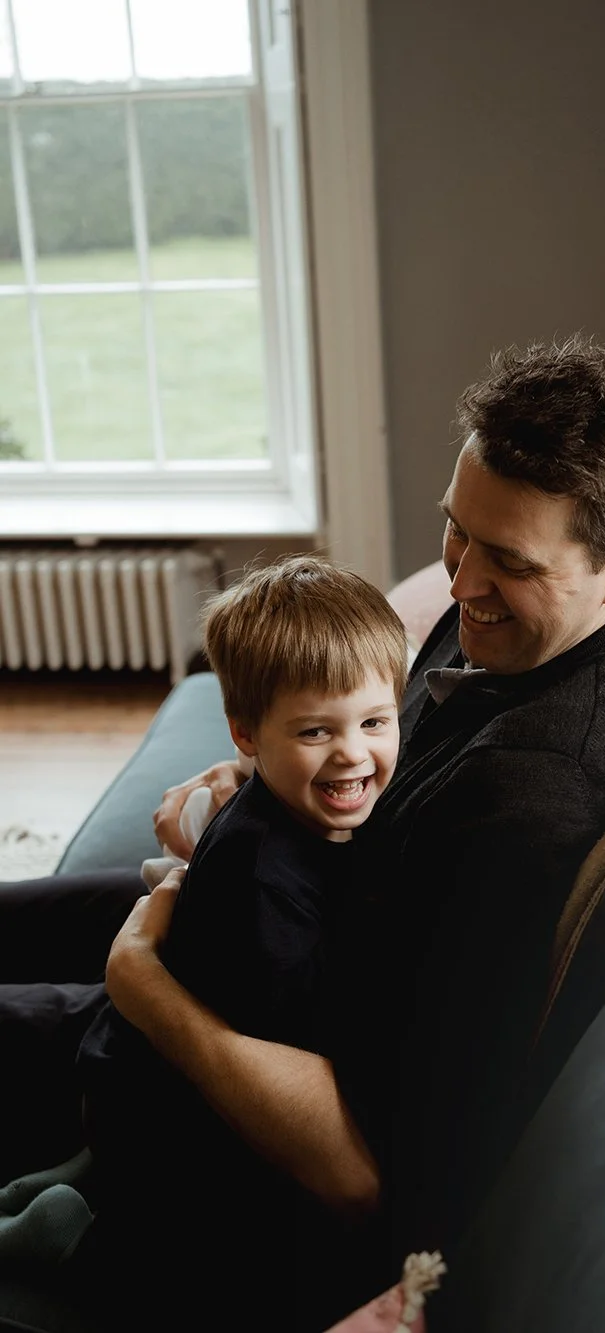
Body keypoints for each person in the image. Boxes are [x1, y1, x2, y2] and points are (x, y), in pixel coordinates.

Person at [0, 335, 605, 1311]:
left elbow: (366, 1177)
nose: (460, 583)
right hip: (281, 899)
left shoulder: (527, 810)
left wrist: (143, 988)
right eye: (456, 532)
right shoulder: (529, 628)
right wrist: (269, 772)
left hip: (237, 1053)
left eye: (507, 560)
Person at [74, 555, 407, 1329]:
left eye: (374, 722)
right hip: (154, 1113)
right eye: (315, 730)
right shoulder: (261, 879)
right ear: (246, 733)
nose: (352, 752)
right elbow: (282, 1069)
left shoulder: (324, 808)